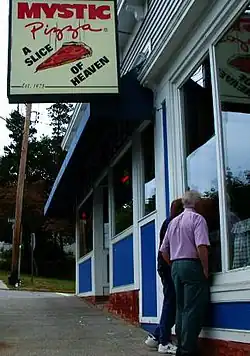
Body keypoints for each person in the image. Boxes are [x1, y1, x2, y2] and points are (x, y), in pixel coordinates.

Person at [160, 191, 210, 356]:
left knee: (180, 307)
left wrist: (173, 263)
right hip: (192, 264)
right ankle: (188, 349)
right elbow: (201, 246)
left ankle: (181, 345)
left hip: (176, 265)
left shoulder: (173, 222)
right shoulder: (198, 219)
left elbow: (163, 250)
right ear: (196, 204)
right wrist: (205, 268)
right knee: (192, 308)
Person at [145, 199, 183, 354]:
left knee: (170, 301)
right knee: (171, 301)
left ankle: (156, 336)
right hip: (168, 266)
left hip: (164, 265)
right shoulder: (173, 224)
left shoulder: (167, 222)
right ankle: (164, 341)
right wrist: (173, 265)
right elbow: (166, 249)